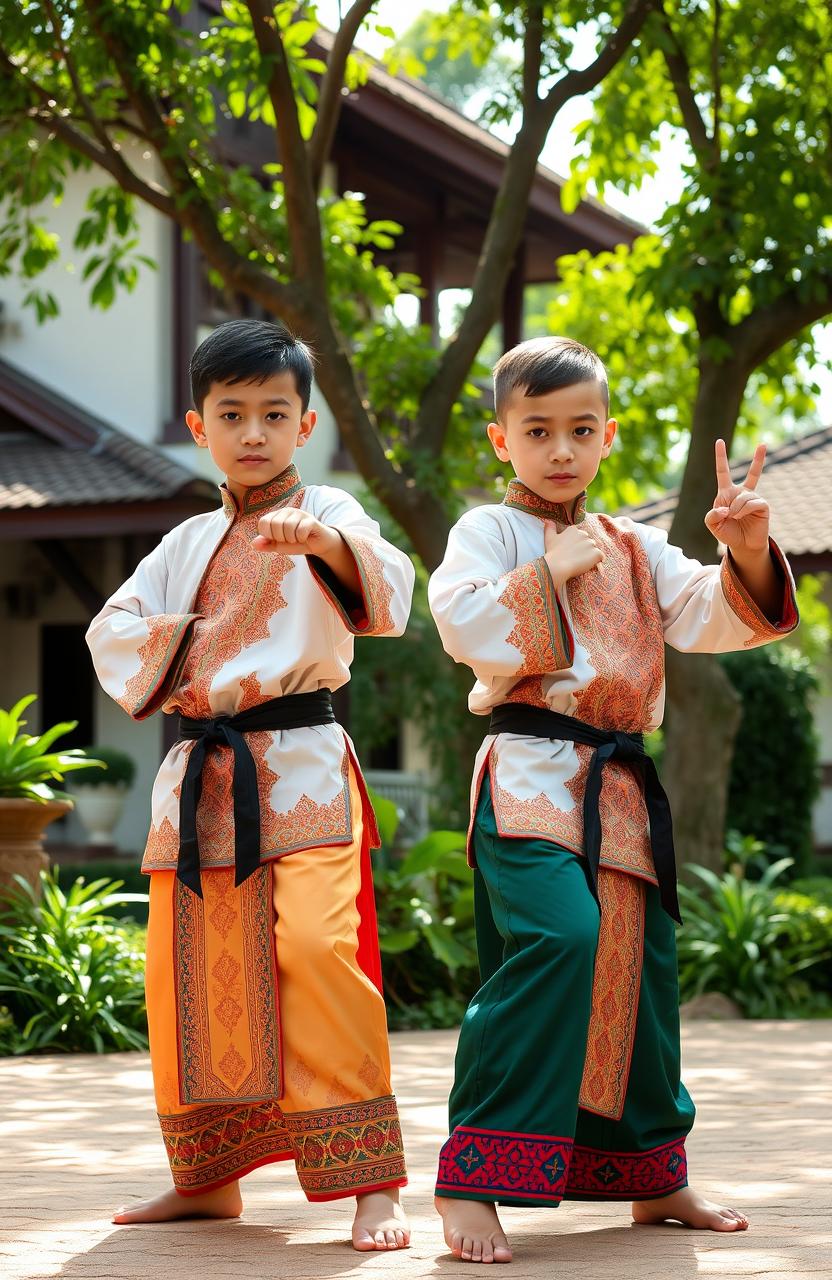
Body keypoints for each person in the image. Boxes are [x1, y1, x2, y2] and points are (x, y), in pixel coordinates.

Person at [428, 336, 798, 1264]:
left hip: (621, 787)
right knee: (562, 939)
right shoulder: (488, 532)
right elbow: (459, 621)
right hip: (526, 777)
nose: (561, 449)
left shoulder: (637, 546)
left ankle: (651, 1177)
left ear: (608, 437)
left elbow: (713, 616)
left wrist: (745, 550)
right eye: (539, 430)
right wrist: (546, 573)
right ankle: (474, 1178)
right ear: (501, 439)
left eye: (580, 430)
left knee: (644, 971)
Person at [87, 319, 414, 1251]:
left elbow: (389, 587)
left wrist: (326, 544)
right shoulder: (182, 541)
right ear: (199, 426)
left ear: (306, 425)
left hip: (304, 763)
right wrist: (203, 634)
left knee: (317, 951)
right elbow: (111, 632)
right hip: (203, 778)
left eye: (276, 412)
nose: (255, 432)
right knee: (191, 976)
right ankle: (209, 1178)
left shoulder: (336, 513)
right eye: (233, 414)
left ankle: (368, 1182)